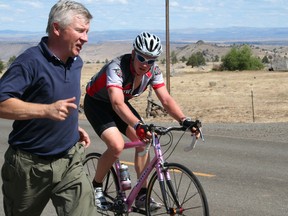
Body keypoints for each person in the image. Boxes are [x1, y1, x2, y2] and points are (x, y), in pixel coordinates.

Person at [0, 1, 97, 215]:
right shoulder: (29, 62)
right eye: (80, 31)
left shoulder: (76, 62)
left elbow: (61, 101)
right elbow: (2, 102)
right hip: (29, 168)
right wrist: (46, 111)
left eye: (87, 32)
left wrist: (70, 128)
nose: (86, 38)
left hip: (70, 160)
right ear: (56, 28)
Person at [84, 31, 199, 210]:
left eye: (151, 60)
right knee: (116, 146)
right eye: (141, 58)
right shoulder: (116, 68)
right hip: (98, 104)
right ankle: (96, 187)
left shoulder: (153, 71)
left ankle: (141, 194)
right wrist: (138, 125)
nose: (145, 64)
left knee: (143, 141)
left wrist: (184, 120)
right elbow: (116, 102)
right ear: (133, 54)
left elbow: (166, 100)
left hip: (120, 105)